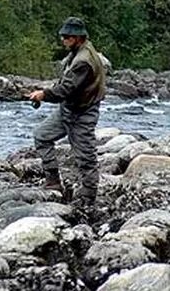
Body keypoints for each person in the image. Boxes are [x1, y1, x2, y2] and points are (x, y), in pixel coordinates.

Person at [26, 16, 106, 209]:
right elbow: (64, 84)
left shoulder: (84, 61)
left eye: (67, 36)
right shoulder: (77, 52)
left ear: (78, 38)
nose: (63, 39)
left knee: (85, 157)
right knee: (41, 136)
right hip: (68, 109)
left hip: (83, 113)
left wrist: (43, 95)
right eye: (63, 36)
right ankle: (53, 181)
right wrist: (45, 92)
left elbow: (65, 90)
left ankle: (88, 199)